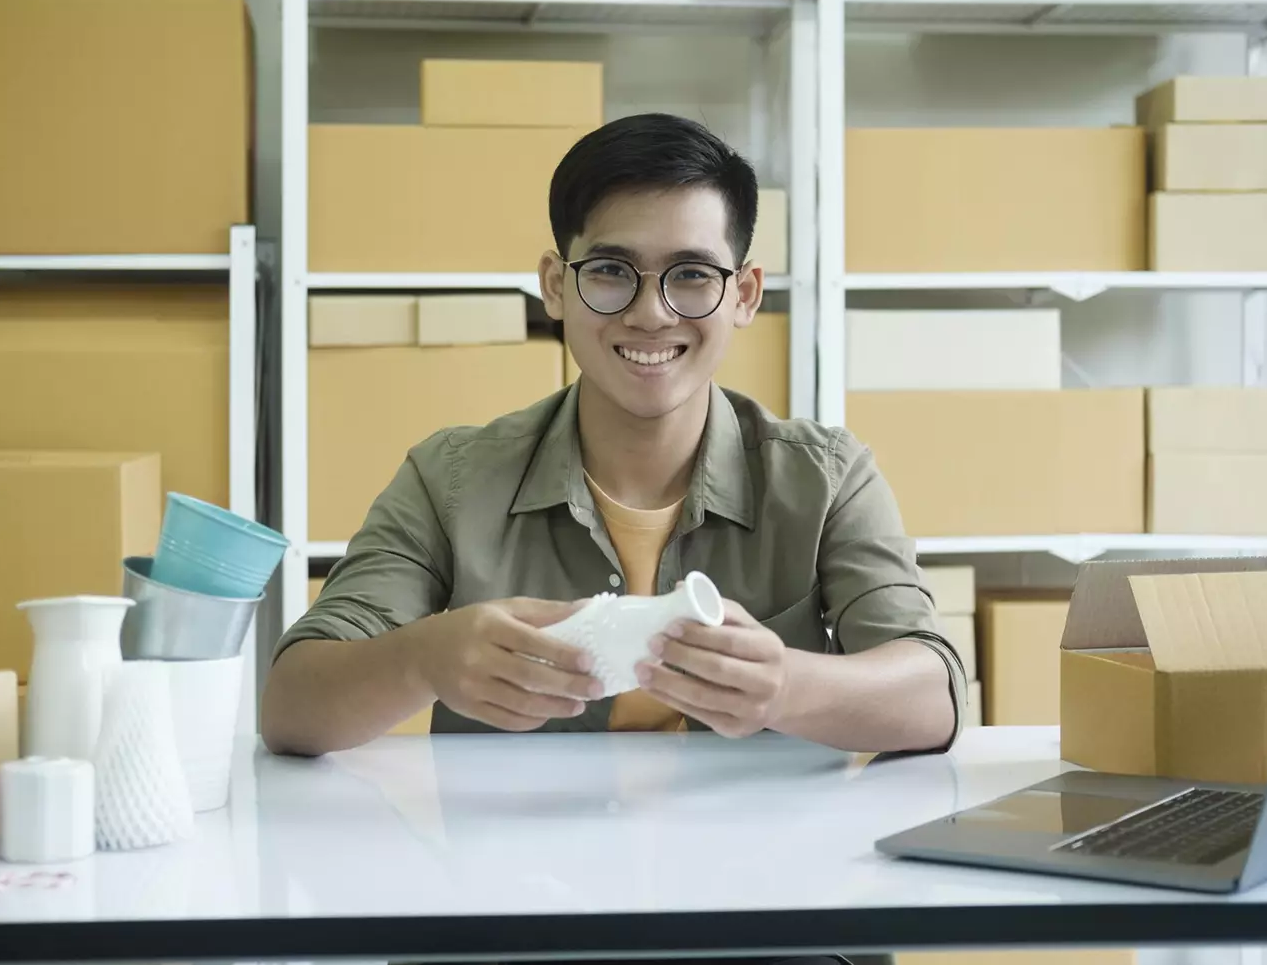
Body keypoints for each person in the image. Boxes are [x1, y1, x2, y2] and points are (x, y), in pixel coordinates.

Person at [262, 112, 964, 758]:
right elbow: (292, 705)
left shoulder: (826, 477)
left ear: (744, 294)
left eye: (691, 275)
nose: (651, 314)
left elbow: (937, 694)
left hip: (764, 875)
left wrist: (788, 687)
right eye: (609, 272)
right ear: (556, 286)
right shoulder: (449, 477)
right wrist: (422, 657)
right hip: (517, 877)